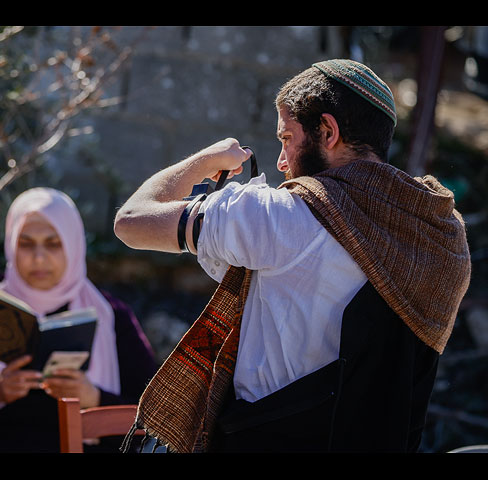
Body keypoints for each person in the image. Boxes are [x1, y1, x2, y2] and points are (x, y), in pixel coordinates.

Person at [113, 59, 472, 452]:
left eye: (286, 138)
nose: (282, 163)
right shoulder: (441, 241)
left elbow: (131, 221)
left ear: (328, 132)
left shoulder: (278, 218)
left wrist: (207, 160)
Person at [0, 187, 157, 453]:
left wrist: (92, 398)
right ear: (11, 244)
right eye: (25, 243)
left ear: (73, 245)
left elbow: (155, 416)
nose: (38, 258)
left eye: (53, 244)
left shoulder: (110, 315)